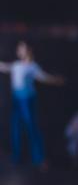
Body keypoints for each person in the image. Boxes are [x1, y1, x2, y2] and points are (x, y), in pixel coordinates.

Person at [2, 41, 65, 169]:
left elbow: (43, 77)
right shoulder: (16, 65)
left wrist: (56, 80)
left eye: (22, 49)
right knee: (16, 128)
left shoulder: (32, 66)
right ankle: (16, 157)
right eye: (18, 49)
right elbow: (3, 67)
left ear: (28, 50)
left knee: (32, 128)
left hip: (28, 100)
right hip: (17, 100)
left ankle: (39, 158)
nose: (19, 51)